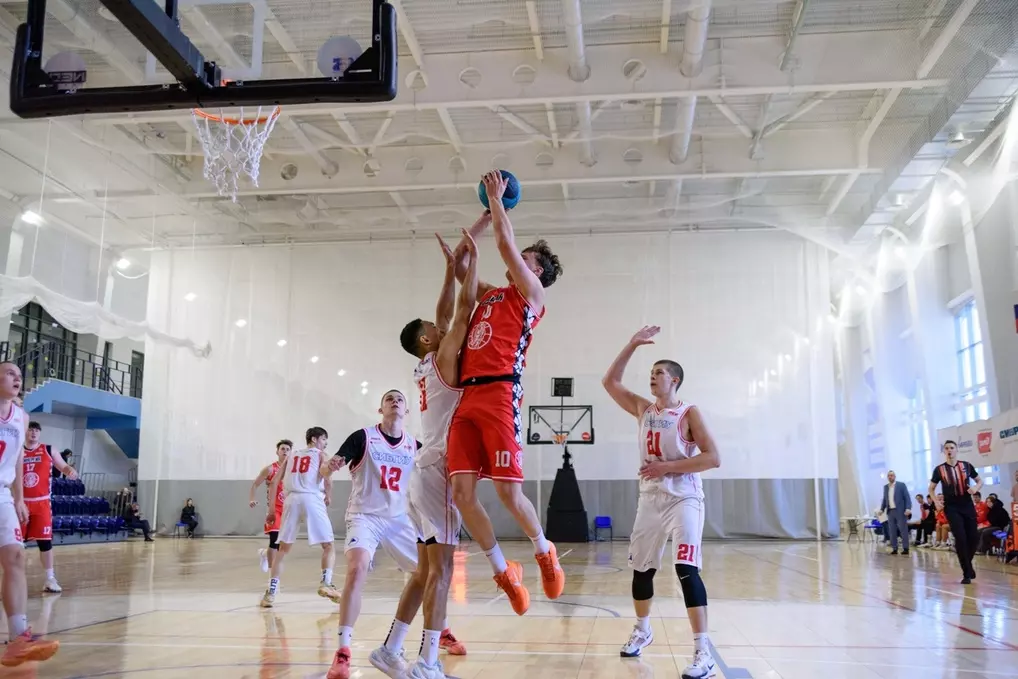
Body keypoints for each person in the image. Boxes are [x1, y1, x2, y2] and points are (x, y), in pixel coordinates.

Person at [445, 171, 565, 616]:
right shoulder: (493, 294)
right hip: (467, 396)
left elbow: (502, 242)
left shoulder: (531, 294)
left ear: (536, 270)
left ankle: (544, 550)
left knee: (509, 494)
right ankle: (503, 570)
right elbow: (459, 266)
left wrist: (498, 200)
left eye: (524, 257)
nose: (515, 258)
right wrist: (481, 218)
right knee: (461, 494)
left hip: (500, 393)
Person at [383, 229, 480, 679]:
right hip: (439, 471)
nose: (441, 328)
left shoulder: (427, 363)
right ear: (427, 340)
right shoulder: (443, 358)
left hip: (421, 474)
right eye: (433, 330)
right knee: (441, 573)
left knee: (424, 573)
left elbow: (443, 313)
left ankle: (390, 650)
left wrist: (447, 269)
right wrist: (471, 264)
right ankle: (427, 662)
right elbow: (462, 309)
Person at [602, 326, 721, 679]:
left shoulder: (689, 413)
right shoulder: (643, 409)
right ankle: (643, 629)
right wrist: (632, 344)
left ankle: (702, 651)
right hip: (650, 498)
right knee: (642, 570)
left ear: (675, 380)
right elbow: (610, 382)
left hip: (684, 497)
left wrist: (666, 467)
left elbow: (713, 458)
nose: (652, 377)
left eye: (659, 373)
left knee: (686, 569)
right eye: (651, 373)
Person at [325, 390, 437, 679]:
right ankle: (343, 651)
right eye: (389, 399)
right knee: (357, 569)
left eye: (400, 399)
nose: (395, 401)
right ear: (380, 409)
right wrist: (330, 465)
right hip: (365, 516)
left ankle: (440, 633)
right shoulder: (363, 437)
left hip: (400, 520)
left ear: (407, 411)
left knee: (430, 576)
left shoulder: (415, 446)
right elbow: (335, 461)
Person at [0, 361, 60, 667]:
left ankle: (18, 640)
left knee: (16, 556)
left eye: (20, 376)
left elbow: (18, 458)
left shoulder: (21, 418)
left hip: (3, 494)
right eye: (10, 373)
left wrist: (19, 498)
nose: (17, 379)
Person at [261, 427, 339, 607]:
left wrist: (271, 510)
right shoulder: (321, 454)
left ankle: (271, 592)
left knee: (282, 549)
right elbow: (327, 478)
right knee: (328, 545)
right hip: (312, 497)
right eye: (324, 439)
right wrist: (329, 495)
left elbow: (274, 482)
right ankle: (326, 582)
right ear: (314, 439)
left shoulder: (291, 455)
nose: (325, 444)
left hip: (291, 500)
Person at [21, 421, 77, 593]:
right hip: (21, 502)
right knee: (15, 543)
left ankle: (50, 578)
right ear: (25, 432)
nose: (33, 433)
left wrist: (69, 471)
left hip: (42, 502)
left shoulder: (48, 449)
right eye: (30, 429)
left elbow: (62, 465)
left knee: (45, 542)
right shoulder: (17, 450)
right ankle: (13, 577)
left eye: (37, 430)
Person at [928, 440, 982, 583]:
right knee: (961, 538)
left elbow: (980, 481)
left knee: (974, 537)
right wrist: (936, 501)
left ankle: (968, 565)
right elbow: (931, 488)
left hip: (967, 504)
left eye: (952, 447)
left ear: (956, 449)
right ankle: (966, 572)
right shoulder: (939, 469)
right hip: (952, 507)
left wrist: (975, 488)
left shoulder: (966, 466)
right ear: (944, 451)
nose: (949, 450)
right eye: (946, 448)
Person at [249, 439, 293, 572]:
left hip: (287, 509)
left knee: (281, 544)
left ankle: (264, 553)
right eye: (282, 449)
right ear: (277, 451)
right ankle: (271, 573)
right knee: (274, 540)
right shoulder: (270, 469)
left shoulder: (292, 470)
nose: (285, 451)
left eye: (288, 449)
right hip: (274, 510)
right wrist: (252, 499)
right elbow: (255, 484)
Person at [880, 470, 911, 555]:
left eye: (892, 475)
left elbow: (907, 497)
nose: (890, 477)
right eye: (889, 476)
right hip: (890, 511)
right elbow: (885, 499)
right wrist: (882, 509)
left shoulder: (901, 485)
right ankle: (894, 548)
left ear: (895, 476)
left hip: (900, 511)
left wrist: (908, 508)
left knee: (903, 530)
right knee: (892, 531)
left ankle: (905, 548)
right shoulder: (886, 487)